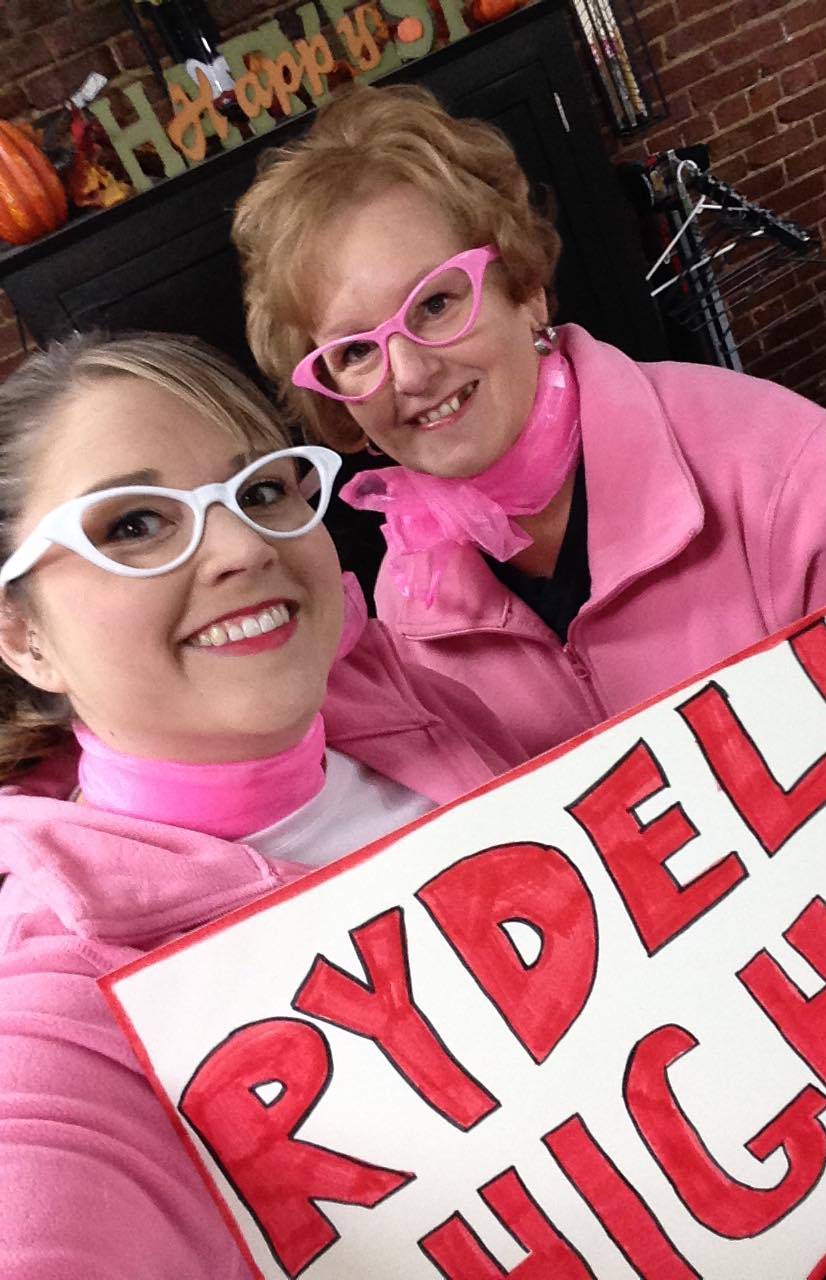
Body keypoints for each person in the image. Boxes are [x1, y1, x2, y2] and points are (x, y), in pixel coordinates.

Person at [233, 82, 826, 1277]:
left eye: (437, 302)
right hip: (728, 1105)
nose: (407, 371)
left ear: (525, 287)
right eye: (355, 351)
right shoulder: (401, 611)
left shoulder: (767, 458)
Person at [0, 331, 526, 1277]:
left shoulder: (426, 708)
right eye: (134, 524)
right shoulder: (66, 1003)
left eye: (261, 491)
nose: (244, 547)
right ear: (22, 636)